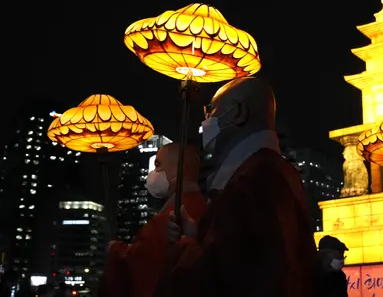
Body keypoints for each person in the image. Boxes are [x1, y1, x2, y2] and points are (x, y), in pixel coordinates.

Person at [166, 77, 317, 296]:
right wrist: (196, 231)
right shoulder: (277, 172)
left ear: (238, 112)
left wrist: (182, 245)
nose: (205, 122)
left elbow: (217, 276)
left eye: (210, 111)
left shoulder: (250, 181)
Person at [99, 143, 207, 297]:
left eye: (158, 164)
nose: (153, 173)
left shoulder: (173, 216)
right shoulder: (202, 206)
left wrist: (115, 250)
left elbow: (141, 263)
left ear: (179, 168)